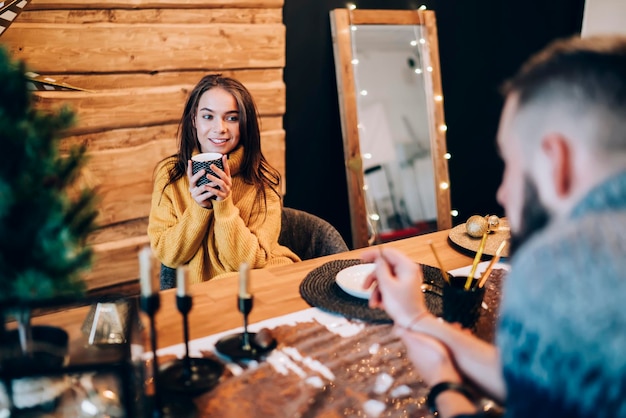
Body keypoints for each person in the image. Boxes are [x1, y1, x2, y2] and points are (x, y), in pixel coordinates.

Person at [362, 34, 626, 418]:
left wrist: (443, 384)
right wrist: (417, 319)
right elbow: (551, 386)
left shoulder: (565, 261)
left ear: (556, 160)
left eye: (512, 163)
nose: (503, 192)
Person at [148, 75, 299, 284]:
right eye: (208, 117)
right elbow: (168, 255)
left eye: (232, 118)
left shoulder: (261, 178)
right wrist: (199, 208)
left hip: (261, 280)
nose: (220, 128)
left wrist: (224, 205)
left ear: (244, 124)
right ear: (194, 120)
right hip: (210, 295)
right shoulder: (171, 175)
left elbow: (249, 263)